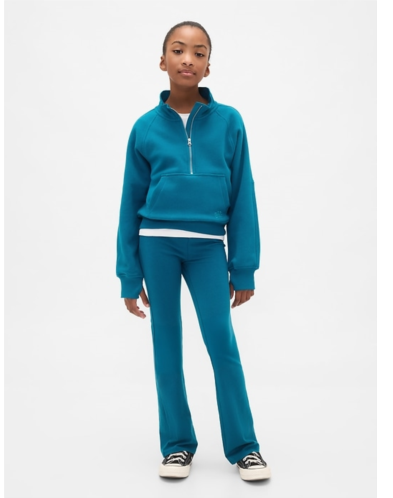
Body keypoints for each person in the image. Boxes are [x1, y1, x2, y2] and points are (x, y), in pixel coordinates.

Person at [116, 21, 270, 482]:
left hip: (207, 249)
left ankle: (245, 448)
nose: (188, 59)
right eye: (179, 50)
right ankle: (177, 446)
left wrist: (244, 267)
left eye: (199, 52)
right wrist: (129, 274)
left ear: (208, 65)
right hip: (156, 246)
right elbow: (129, 202)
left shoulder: (229, 122)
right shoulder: (144, 128)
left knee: (222, 343)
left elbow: (243, 196)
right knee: (166, 345)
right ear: (163, 61)